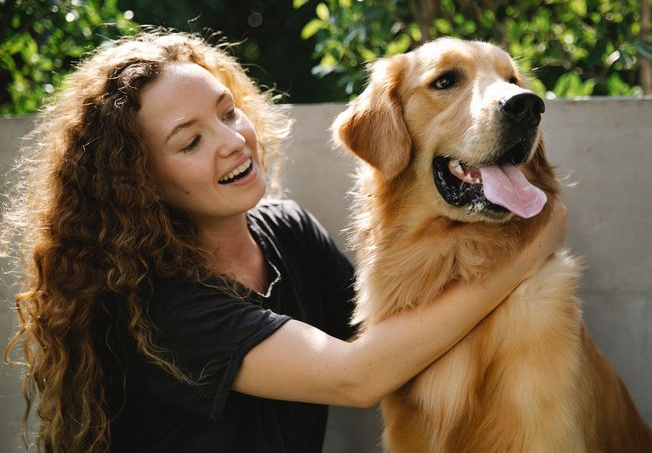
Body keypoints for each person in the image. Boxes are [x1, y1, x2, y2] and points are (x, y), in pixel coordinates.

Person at [2, 31, 567, 453]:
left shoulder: (287, 230)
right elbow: (359, 374)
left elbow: (401, 333)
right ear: (139, 180)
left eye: (228, 112)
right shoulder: (158, 305)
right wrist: (526, 253)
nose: (231, 141)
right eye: (191, 140)